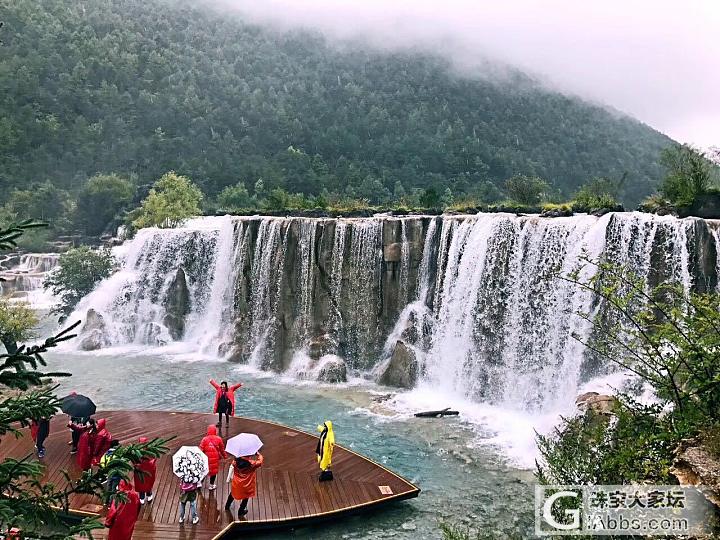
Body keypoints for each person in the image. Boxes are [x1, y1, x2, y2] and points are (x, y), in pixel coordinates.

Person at [224, 452, 263, 518]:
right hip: (247, 484)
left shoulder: (235, 462)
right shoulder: (252, 464)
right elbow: (260, 462)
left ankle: (227, 506)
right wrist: (259, 454)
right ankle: (241, 511)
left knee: (233, 493)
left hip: (237, 482)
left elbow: (233, 464)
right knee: (246, 497)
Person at [199, 425, 225, 490]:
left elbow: (200, 449)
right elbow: (222, 449)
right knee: (213, 471)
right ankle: (211, 485)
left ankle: (199, 483)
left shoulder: (204, 439)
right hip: (215, 458)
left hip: (206, 458)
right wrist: (224, 456)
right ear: (215, 431)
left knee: (204, 470)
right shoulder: (219, 439)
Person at [133, 437, 157, 504]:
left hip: (139, 473)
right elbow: (153, 460)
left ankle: (142, 498)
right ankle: (149, 496)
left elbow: (134, 461)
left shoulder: (136, 451)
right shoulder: (150, 451)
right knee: (148, 484)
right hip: (148, 472)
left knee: (141, 485)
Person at [100, 440, 121, 504]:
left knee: (108, 487)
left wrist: (106, 468)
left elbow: (102, 462)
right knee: (113, 488)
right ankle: (110, 503)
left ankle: (106, 501)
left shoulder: (106, 454)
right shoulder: (117, 455)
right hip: (116, 474)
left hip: (109, 473)